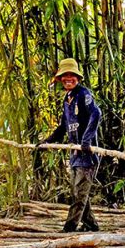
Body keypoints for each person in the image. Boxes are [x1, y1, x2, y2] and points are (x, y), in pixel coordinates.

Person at [39, 58, 102, 233]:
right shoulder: (68, 98)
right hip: (74, 155)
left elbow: (96, 114)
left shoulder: (84, 94)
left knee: (79, 194)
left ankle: (69, 227)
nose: (68, 79)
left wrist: (87, 140)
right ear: (60, 79)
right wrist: (47, 141)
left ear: (77, 77)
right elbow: (62, 127)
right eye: (64, 76)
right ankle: (92, 225)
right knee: (79, 192)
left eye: (71, 75)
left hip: (87, 155)